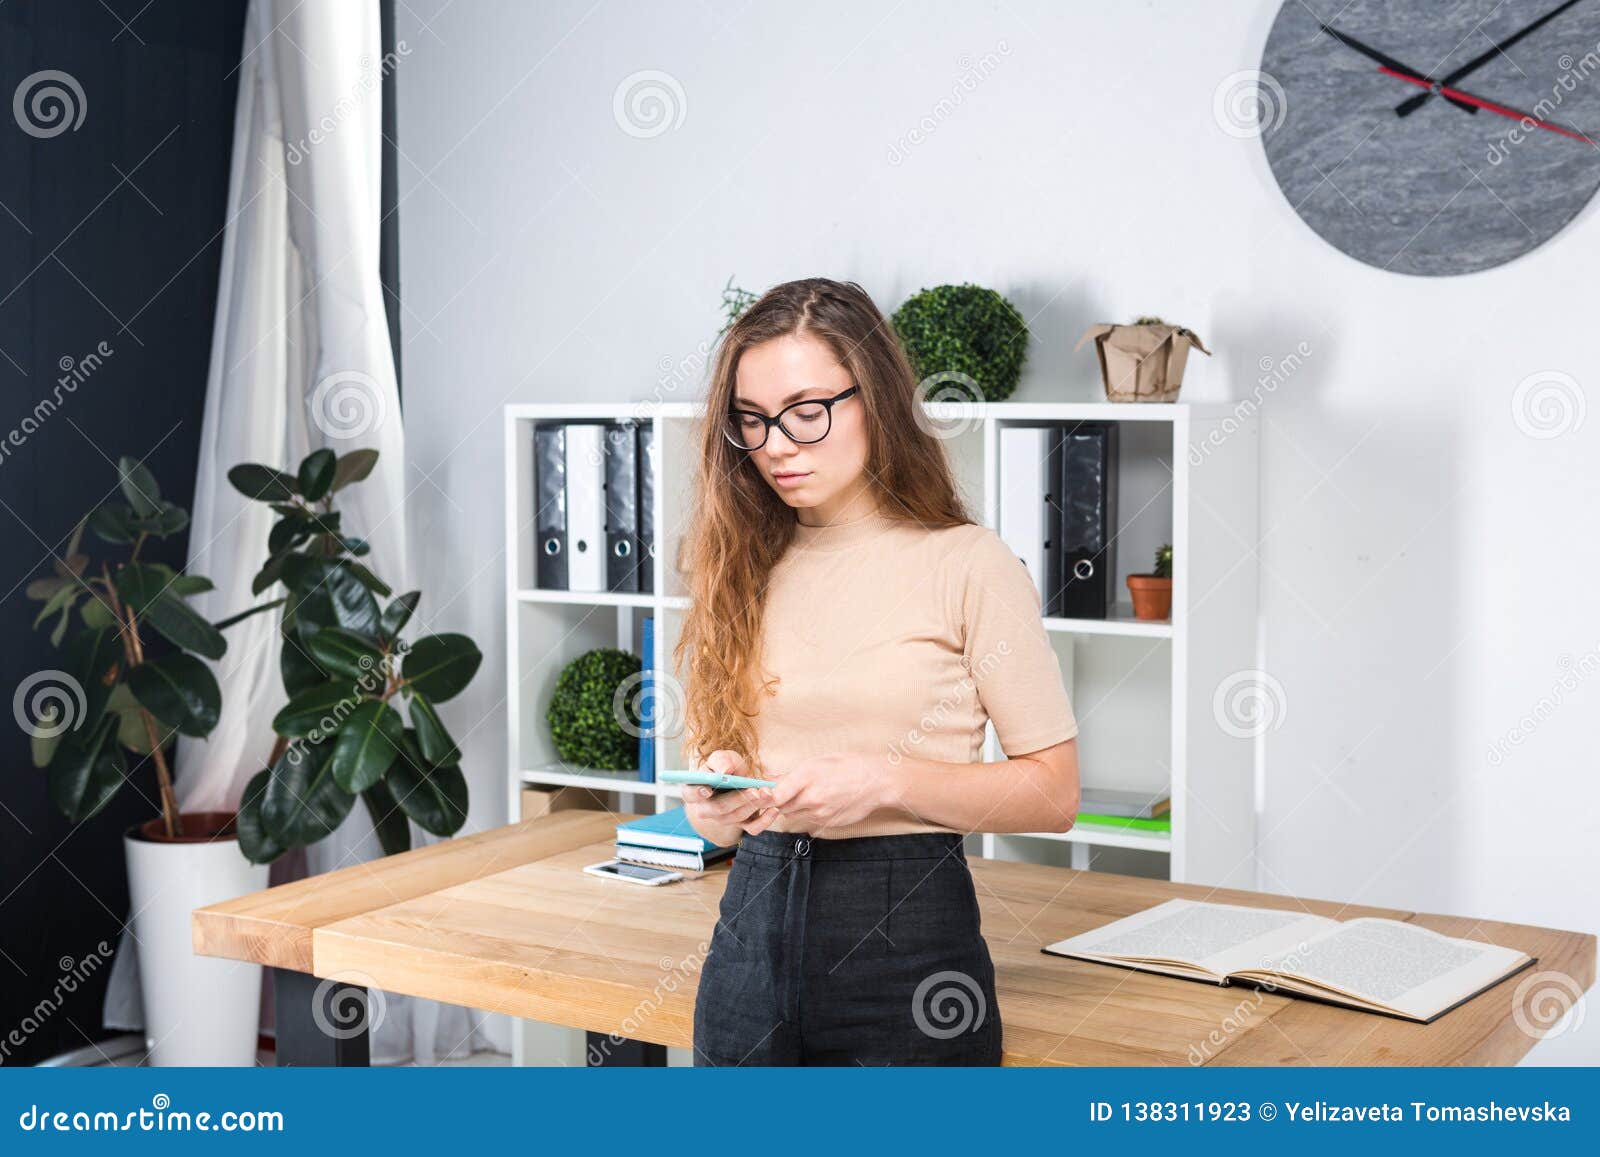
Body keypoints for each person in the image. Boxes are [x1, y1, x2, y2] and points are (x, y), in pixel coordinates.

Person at [673, 277, 1080, 1066]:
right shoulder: (735, 565)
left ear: (877, 400)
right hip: (746, 943)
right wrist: (717, 799)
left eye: (806, 410)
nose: (778, 445)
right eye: (752, 421)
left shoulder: (968, 563)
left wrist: (886, 781)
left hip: (909, 953)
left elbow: (1053, 791)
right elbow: (713, 798)